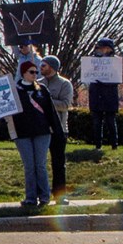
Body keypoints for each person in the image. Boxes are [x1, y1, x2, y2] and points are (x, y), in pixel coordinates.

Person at [5, 60, 60, 206]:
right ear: (23, 73)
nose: (35, 74)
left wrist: (57, 131)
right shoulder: (14, 91)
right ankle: (30, 197)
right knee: (29, 166)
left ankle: (44, 196)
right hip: (22, 133)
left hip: (42, 132)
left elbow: (51, 112)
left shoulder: (42, 90)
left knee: (40, 164)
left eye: (36, 72)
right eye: (31, 72)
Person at [39, 55, 73, 190]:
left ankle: (59, 194)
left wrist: (46, 101)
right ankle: (41, 193)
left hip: (59, 129)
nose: (40, 68)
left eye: (43, 65)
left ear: (52, 67)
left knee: (58, 163)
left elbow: (65, 104)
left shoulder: (65, 84)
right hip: (41, 129)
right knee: (39, 164)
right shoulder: (38, 83)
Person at [84, 37, 121, 150]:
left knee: (110, 121)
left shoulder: (115, 61)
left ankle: (114, 144)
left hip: (110, 95)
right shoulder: (93, 61)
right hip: (96, 95)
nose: (100, 49)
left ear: (109, 48)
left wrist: (105, 82)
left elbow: (117, 78)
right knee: (97, 122)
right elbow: (88, 74)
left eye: (103, 47)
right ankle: (98, 145)